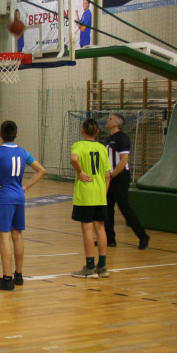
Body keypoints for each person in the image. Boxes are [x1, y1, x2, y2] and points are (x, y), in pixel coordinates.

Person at [0, 120, 46, 290]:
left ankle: (7, 279)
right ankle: (18, 275)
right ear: (16, 134)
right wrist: (26, 187)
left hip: (4, 198)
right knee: (17, 236)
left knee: (4, 238)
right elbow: (41, 170)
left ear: (0, 134)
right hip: (19, 197)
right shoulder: (23, 152)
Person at [70, 118, 111, 279]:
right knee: (100, 228)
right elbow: (107, 175)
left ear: (82, 130)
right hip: (100, 193)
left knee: (87, 228)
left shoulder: (78, 145)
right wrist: (103, 192)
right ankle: (102, 267)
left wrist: (80, 172)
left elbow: (74, 159)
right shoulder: (102, 148)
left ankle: (89, 266)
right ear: (98, 132)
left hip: (86, 193)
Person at [105, 113, 151, 250]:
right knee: (107, 209)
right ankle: (110, 239)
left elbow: (124, 160)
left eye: (110, 119)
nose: (107, 121)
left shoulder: (122, 138)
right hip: (110, 177)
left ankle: (143, 236)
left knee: (124, 208)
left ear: (116, 123)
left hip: (120, 177)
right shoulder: (108, 139)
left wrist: (112, 175)